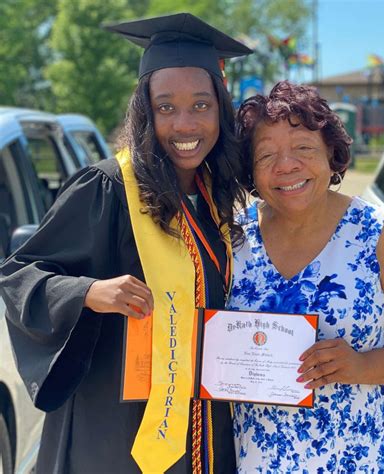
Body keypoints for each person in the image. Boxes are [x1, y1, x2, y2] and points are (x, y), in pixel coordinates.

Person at [0, 13, 252, 474]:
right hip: (116, 431)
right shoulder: (108, 187)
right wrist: (88, 293)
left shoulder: (216, 197)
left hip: (203, 428)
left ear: (221, 109)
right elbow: (19, 275)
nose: (184, 124)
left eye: (200, 105)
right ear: (145, 111)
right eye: (166, 107)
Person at [227, 81, 384, 472]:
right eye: (266, 156)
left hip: (367, 457)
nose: (286, 166)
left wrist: (361, 366)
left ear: (331, 154)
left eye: (304, 149)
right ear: (251, 171)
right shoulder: (233, 238)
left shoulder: (376, 233)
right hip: (262, 460)